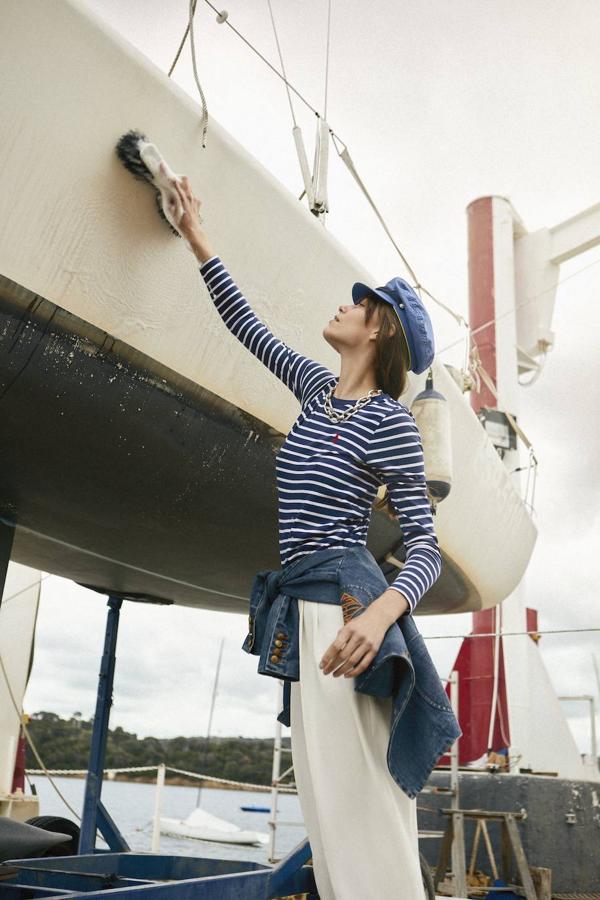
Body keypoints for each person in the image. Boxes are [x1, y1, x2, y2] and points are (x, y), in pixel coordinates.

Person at [169, 176, 442, 899]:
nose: (343, 304)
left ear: (378, 326)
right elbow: (245, 323)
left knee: (365, 804)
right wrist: (197, 235)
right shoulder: (314, 389)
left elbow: (425, 544)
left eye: (358, 302)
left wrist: (382, 614)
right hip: (307, 607)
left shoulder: (392, 422)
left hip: (351, 613)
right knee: (326, 803)